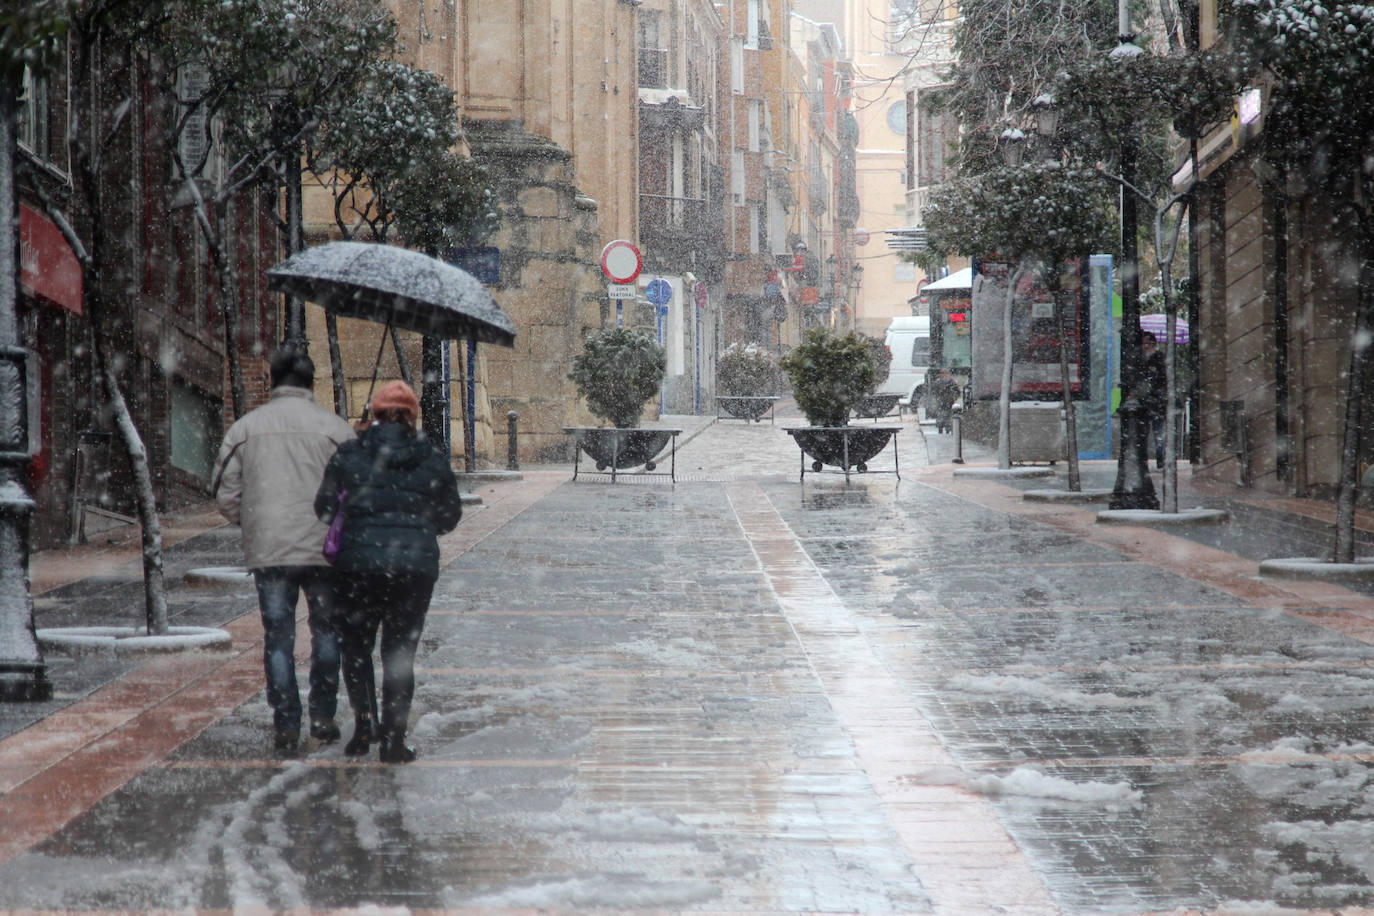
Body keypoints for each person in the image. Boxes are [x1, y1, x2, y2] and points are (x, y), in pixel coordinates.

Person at [212, 343, 356, 755]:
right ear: (313, 383)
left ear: (272, 380)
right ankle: (323, 714)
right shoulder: (336, 430)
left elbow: (225, 491)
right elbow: (354, 490)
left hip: (270, 550)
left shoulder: (245, 429)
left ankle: (286, 722)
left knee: (278, 637)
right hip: (325, 551)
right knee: (327, 631)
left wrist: (255, 521)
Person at [315, 380, 462, 764]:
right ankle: (395, 741)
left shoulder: (349, 454)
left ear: (374, 414)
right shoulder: (430, 457)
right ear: (411, 417)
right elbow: (450, 516)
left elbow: (324, 508)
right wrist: (418, 524)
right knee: (399, 654)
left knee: (357, 648)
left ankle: (364, 728)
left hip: (358, 566)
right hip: (413, 568)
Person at [1138, 331, 1169, 466]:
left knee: (1158, 432)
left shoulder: (1158, 358)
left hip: (1156, 401)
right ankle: (1145, 457)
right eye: (1143, 343)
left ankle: (1160, 458)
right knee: (1145, 432)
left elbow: (1161, 379)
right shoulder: (1140, 359)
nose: (1144, 346)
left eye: (1146, 343)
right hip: (1146, 401)